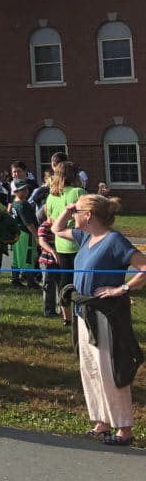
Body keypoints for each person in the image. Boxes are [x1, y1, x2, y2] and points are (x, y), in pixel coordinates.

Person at [51, 193, 145, 446]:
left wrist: (122, 289)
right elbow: (56, 229)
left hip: (105, 315)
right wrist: (70, 208)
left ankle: (124, 428)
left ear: (89, 215)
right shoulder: (85, 238)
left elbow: (144, 267)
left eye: (78, 213)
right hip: (84, 314)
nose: (74, 216)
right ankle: (101, 422)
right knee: (90, 369)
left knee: (109, 370)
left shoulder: (114, 241)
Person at [44, 155, 85, 326]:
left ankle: (66, 317)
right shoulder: (78, 192)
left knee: (64, 279)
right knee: (81, 280)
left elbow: (50, 220)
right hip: (77, 241)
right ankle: (81, 313)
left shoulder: (51, 197)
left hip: (60, 243)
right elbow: (86, 216)